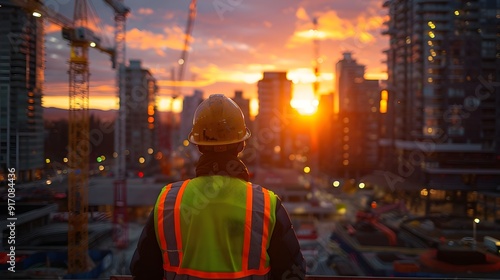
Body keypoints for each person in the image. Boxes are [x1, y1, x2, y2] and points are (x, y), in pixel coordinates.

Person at [130, 94, 305, 279]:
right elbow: (294, 274)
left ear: (199, 145)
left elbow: (143, 272)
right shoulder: (267, 204)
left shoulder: (168, 201)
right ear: (241, 144)